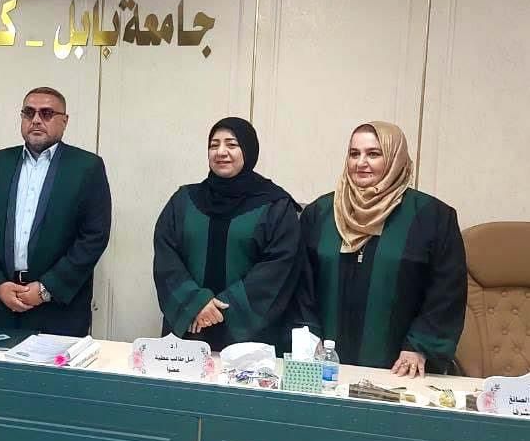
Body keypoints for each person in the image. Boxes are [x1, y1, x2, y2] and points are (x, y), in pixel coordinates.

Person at [296, 121, 466, 377]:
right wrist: (309, 338)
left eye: (374, 154)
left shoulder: (433, 217)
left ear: (396, 158)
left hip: (401, 367)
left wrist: (419, 345)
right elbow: (301, 284)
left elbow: (447, 291)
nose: (361, 162)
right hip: (324, 363)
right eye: (354, 153)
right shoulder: (320, 213)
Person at [0, 86, 111, 337]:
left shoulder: (86, 167)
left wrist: (45, 289)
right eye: (29, 112)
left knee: (52, 366)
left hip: (57, 309)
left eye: (46, 113)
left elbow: (94, 236)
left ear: (64, 121)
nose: (36, 120)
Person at [153, 117, 302, 352]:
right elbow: (166, 259)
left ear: (248, 150)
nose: (221, 152)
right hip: (189, 335)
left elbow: (278, 269)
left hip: (250, 341)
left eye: (231, 144)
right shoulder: (183, 201)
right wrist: (195, 304)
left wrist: (220, 310)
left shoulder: (276, 206)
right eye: (214, 145)